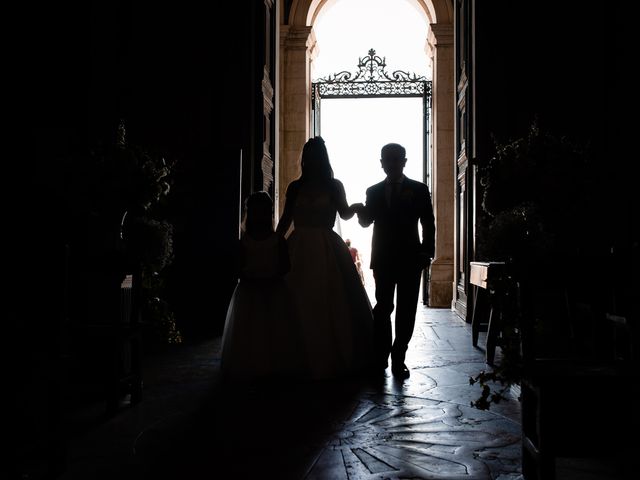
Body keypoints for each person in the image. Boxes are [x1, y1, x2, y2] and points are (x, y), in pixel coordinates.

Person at [276, 136, 374, 380]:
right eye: (309, 155)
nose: (311, 160)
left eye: (314, 155)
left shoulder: (334, 186)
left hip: (325, 247)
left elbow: (344, 212)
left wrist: (359, 207)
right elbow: (286, 219)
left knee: (327, 296)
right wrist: (273, 242)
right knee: (300, 297)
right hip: (298, 246)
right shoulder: (295, 187)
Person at [355, 143, 435, 379]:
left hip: (411, 259)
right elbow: (366, 222)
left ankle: (399, 357)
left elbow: (428, 223)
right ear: (381, 163)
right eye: (386, 160)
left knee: (406, 310)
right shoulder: (373, 191)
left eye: (395, 159)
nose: (390, 164)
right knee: (383, 309)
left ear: (404, 162)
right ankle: (381, 357)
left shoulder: (419, 190)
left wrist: (426, 253)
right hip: (383, 259)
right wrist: (360, 211)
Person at [221, 191, 302, 382]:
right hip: (252, 291)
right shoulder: (246, 242)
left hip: (272, 290)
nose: (259, 215)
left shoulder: (276, 240)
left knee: (273, 330)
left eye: (262, 211)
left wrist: (269, 277)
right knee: (252, 331)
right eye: (255, 211)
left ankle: (272, 366)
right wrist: (254, 277)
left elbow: (285, 266)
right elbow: (238, 267)